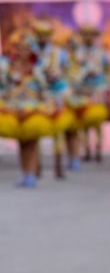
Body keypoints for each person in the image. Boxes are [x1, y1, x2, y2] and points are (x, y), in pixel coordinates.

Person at [0, 30, 54, 188]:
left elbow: (45, 89)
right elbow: (3, 88)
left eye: (26, 47)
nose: (22, 51)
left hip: (33, 109)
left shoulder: (38, 68)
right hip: (13, 108)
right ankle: (25, 173)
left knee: (31, 142)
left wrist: (45, 102)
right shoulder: (7, 67)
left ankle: (31, 174)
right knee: (22, 143)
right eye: (19, 47)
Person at [30, 20, 73, 179]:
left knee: (57, 129)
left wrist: (58, 78)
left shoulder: (59, 53)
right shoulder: (30, 53)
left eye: (45, 36)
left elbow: (68, 71)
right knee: (35, 128)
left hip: (55, 94)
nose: (42, 39)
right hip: (36, 95)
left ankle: (58, 163)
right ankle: (36, 165)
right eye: (39, 36)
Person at [66, 25, 110, 166]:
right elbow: (72, 71)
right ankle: (85, 149)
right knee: (83, 120)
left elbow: (108, 71)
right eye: (86, 35)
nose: (88, 38)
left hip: (97, 89)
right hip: (81, 89)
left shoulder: (102, 53)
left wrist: (105, 86)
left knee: (97, 121)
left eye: (91, 35)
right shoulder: (77, 53)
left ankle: (98, 149)